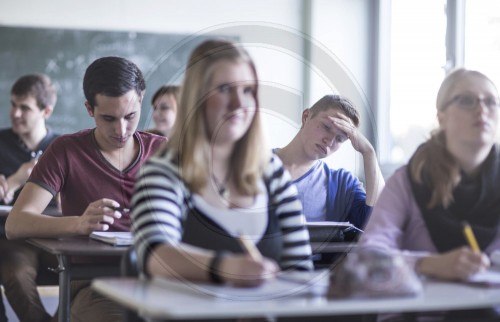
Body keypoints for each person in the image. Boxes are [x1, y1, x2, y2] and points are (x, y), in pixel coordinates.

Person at [131, 39, 314, 290]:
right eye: (226, 89)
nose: (240, 104)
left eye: (248, 91)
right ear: (197, 97)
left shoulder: (271, 170)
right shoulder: (163, 171)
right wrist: (227, 268)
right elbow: (155, 255)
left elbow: (301, 268)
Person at [6, 56, 166, 322]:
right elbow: (16, 223)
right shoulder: (65, 151)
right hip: (93, 281)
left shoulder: (163, 151)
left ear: (141, 99)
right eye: (108, 118)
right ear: (89, 109)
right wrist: (79, 224)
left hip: (158, 279)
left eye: (130, 116)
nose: (121, 130)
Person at [359, 68, 500, 320]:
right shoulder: (407, 179)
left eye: (490, 101)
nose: (482, 109)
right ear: (441, 117)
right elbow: (366, 259)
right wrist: (429, 265)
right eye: (467, 100)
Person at [275, 95, 384, 230]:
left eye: (339, 139)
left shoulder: (342, 185)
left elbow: (379, 223)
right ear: (306, 117)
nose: (330, 141)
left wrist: (369, 153)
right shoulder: (253, 163)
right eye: (326, 127)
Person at [0, 74, 58, 206]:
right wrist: (16, 180)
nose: (15, 113)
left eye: (25, 108)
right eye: (13, 105)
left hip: (52, 226)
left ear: (46, 112)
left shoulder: (65, 148)